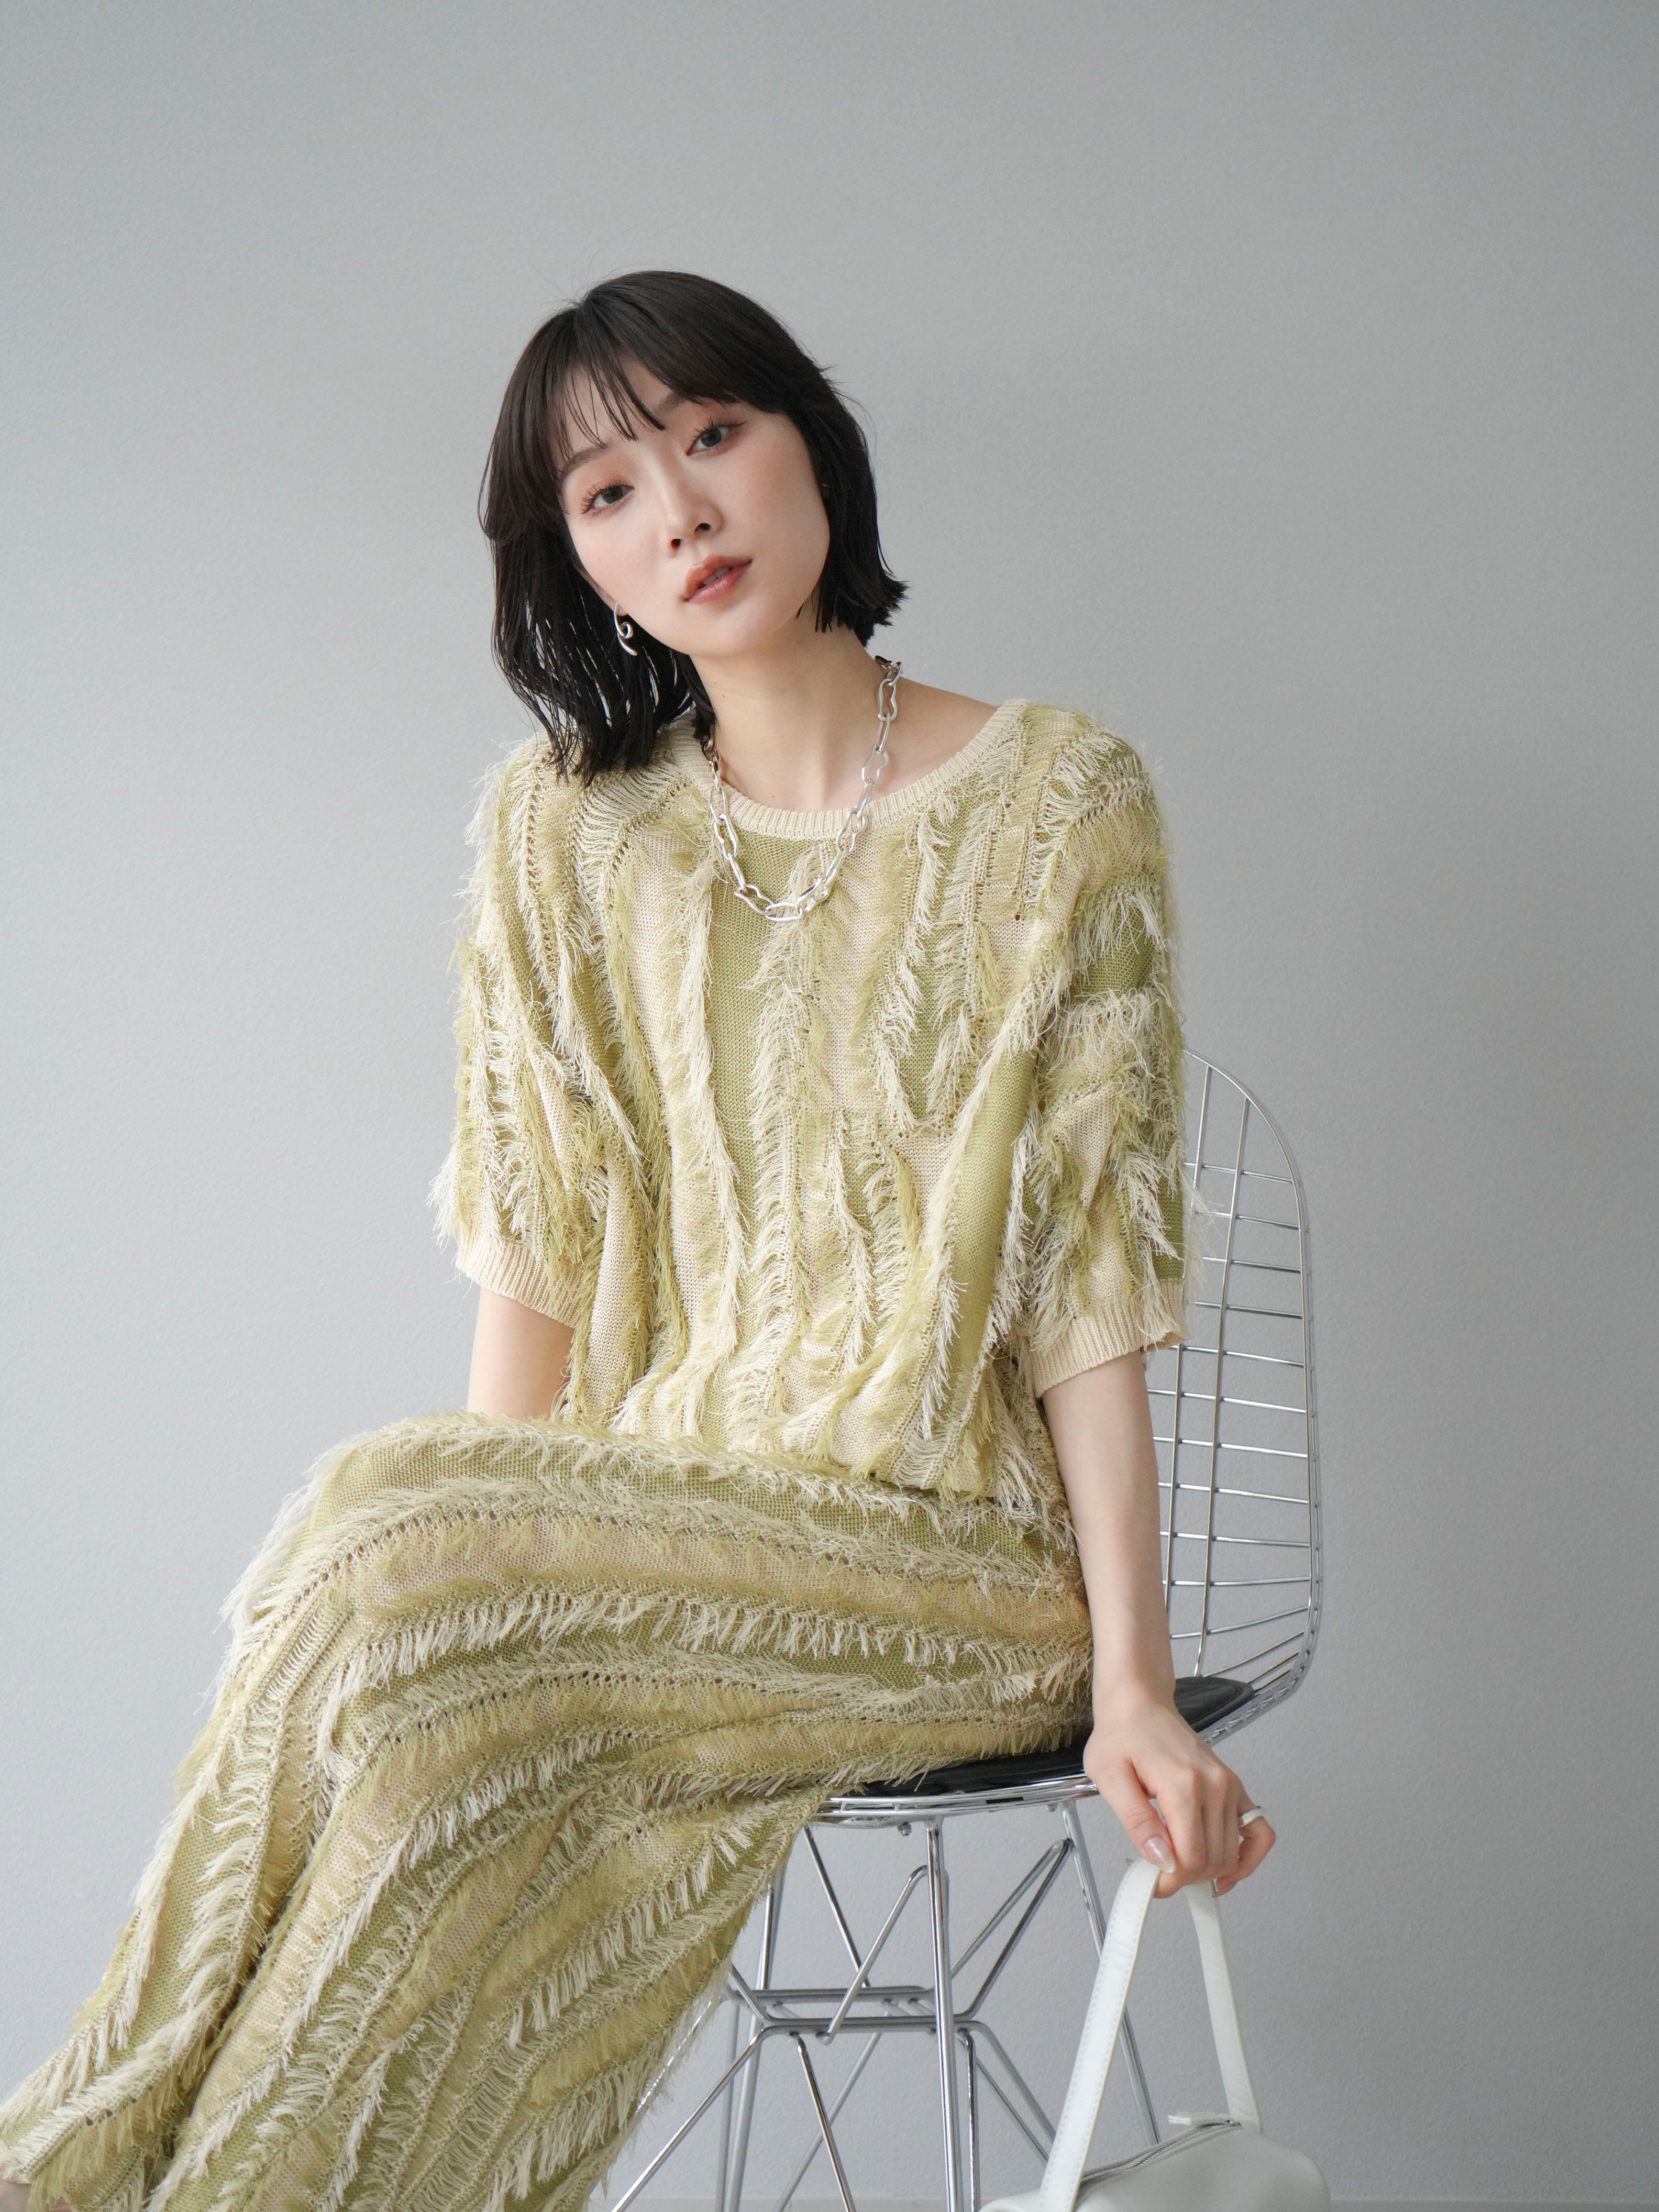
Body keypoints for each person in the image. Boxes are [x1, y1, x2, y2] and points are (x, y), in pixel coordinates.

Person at [0, 269, 1275, 2212]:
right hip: (664, 1525)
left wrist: (1134, 1686)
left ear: (808, 446)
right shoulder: (564, 832)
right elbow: (540, 1251)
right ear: (574, 560)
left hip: (959, 1566)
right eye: (608, 492)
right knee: (426, 1713)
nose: (680, 512)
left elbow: (1088, 1281)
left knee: (383, 1534)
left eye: (710, 437)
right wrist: (490, 1567)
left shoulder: (1057, 802)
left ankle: (71, 2157)